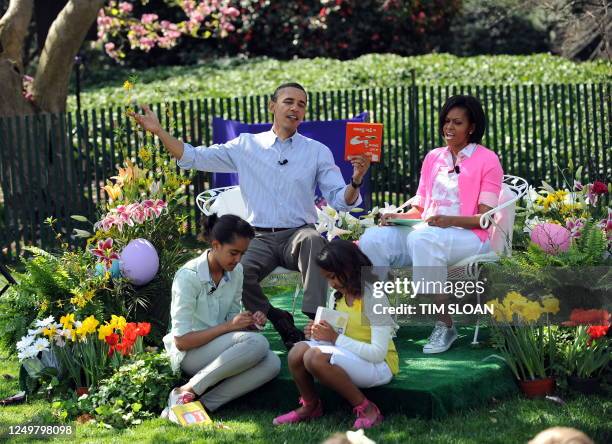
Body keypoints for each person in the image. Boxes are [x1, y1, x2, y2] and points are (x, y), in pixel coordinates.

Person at [131, 82, 371, 349]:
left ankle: (315, 319)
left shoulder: (316, 151)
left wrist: (357, 180)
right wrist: (160, 132)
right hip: (259, 237)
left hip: (298, 235)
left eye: (301, 104)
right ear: (273, 106)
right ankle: (279, 319)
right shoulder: (246, 145)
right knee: (237, 267)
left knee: (313, 239)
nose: (295, 108)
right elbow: (195, 157)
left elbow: (341, 199)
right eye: (289, 101)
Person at [359, 94, 503, 354]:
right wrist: (397, 218)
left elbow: (486, 218)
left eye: (457, 122)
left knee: (423, 238)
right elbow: (421, 209)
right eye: (446, 121)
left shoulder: (487, 159)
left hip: (471, 236)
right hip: (429, 232)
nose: (449, 127)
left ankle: (445, 324)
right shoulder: (433, 157)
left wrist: (449, 221)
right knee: (372, 238)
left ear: (471, 127)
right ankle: (381, 320)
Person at [162, 214, 280, 420]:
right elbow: (181, 341)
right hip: (189, 354)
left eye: (242, 254)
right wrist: (229, 326)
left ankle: (202, 405)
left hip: (220, 348)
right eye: (233, 253)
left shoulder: (237, 271)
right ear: (215, 245)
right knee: (258, 344)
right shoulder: (188, 276)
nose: (238, 260)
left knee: (272, 362)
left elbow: (233, 317)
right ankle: (185, 390)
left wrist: (249, 323)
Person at [273, 240, 399, 429]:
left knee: (314, 357)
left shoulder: (374, 297)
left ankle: (367, 409)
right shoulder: (336, 295)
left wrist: (333, 338)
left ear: (349, 268)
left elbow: (377, 353)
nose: (331, 284)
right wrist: (316, 334)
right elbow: (336, 339)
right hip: (350, 356)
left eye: (333, 277)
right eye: (327, 278)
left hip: (379, 366)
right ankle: (311, 406)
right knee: (297, 351)